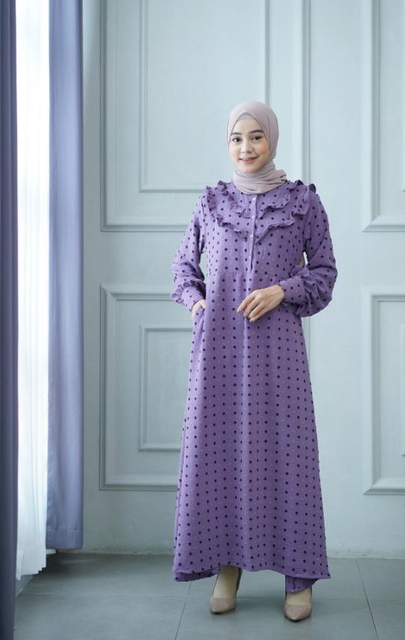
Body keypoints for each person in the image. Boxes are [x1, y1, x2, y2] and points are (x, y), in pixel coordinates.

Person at [170, 100, 337, 622]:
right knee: (221, 454)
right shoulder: (211, 202)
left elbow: (325, 273)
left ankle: (299, 576)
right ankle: (228, 565)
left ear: (273, 140)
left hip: (278, 351)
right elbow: (183, 267)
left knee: (288, 454)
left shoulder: (303, 203)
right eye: (237, 138)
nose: (247, 148)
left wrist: (282, 290)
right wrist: (197, 303)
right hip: (218, 351)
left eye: (257, 136)